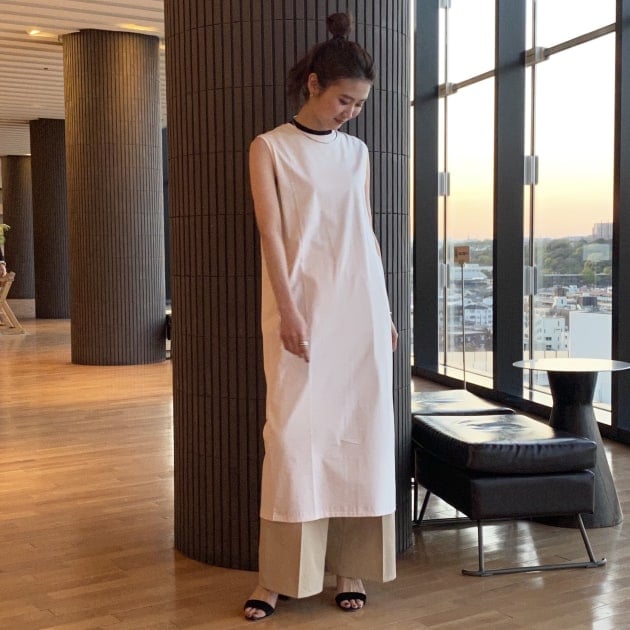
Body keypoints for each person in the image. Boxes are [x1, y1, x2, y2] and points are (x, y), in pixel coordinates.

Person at [244, 12, 398, 622]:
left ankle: (349, 568)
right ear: (313, 84)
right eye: (343, 100)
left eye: (359, 105)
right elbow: (271, 236)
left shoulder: (357, 153)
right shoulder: (270, 148)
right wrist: (287, 310)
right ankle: (277, 577)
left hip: (359, 310)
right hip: (300, 310)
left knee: (358, 432)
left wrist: (384, 311)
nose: (350, 113)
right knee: (292, 439)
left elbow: (366, 234)